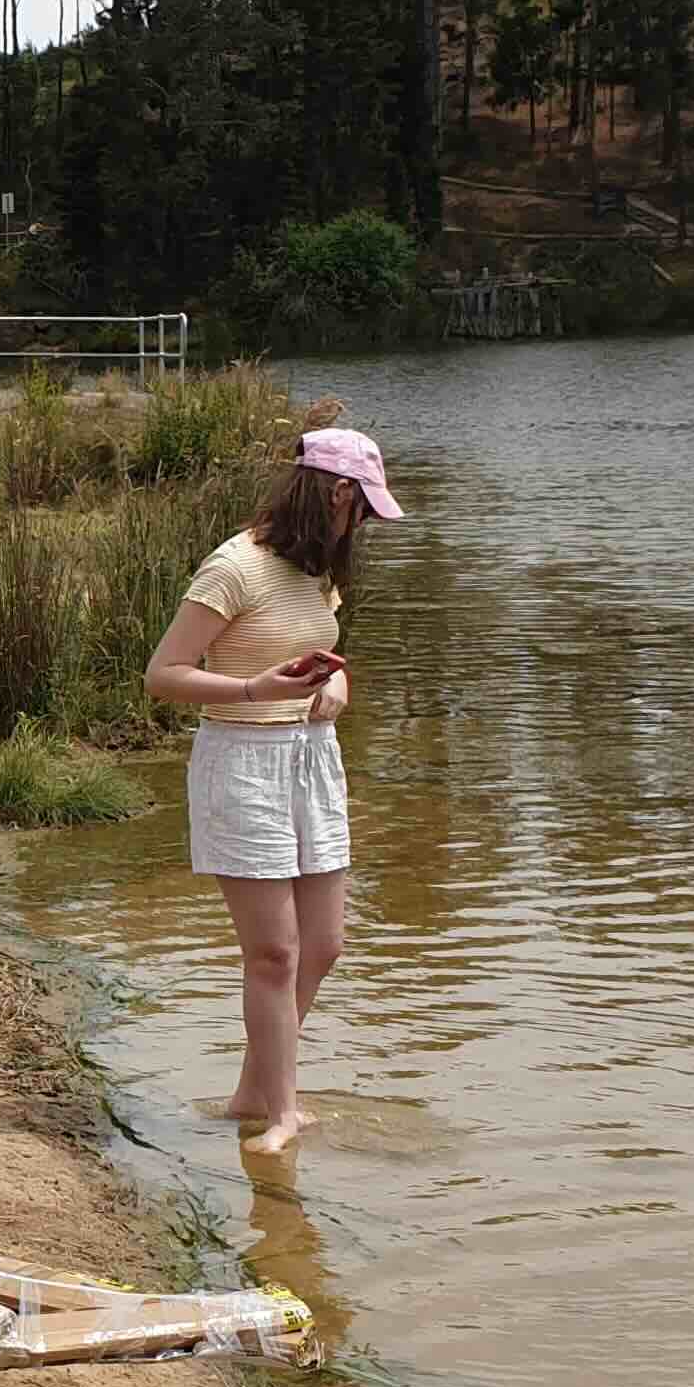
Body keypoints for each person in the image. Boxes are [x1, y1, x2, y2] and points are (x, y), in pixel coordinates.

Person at [142, 405, 403, 1157]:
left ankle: (254, 1093)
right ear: (336, 493)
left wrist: (337, 686)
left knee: (324, 945)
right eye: (362, 510)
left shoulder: (316, 570)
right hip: (243, 763)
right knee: (274, 954)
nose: (363, 527)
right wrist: (256, 689)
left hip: (313, 761)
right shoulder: (235, 567)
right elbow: (164, 674)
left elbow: (327, 649)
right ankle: (281, 1112)